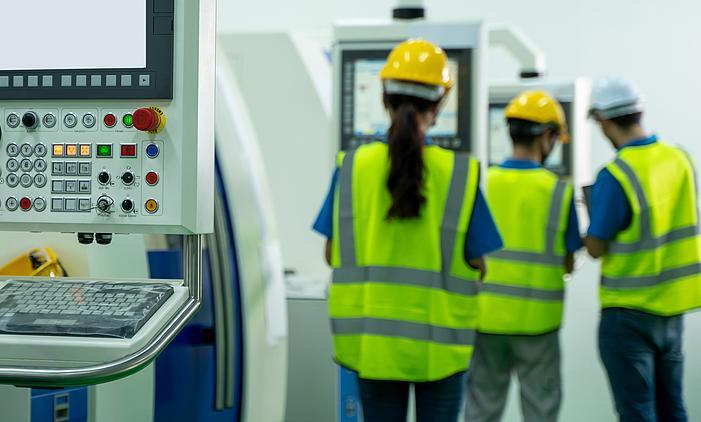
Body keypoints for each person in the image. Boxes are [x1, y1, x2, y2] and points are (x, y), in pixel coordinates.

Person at [312, 39, 503, 422]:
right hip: (441, 350)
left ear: (384, 97)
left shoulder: (352, 167)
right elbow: (479, 264)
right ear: (440, 102)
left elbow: (332, 254)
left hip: (372, 346)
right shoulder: (460, 174)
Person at [585, 77, 701, 422]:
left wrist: (587, 217)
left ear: (603, 121)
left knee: (637, 412)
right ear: (640, 112)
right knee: (673, 408)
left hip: (627, 315)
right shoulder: (680, 159)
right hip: (672, 312)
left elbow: (596, 247)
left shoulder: (615, 174)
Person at [465, 91, 582, 422]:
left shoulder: (483, 183)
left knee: (481, 411)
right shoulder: (559, 191)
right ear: (546, 136)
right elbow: (569, 260)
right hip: (538, 325)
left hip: (486, 321)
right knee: (541, 412)